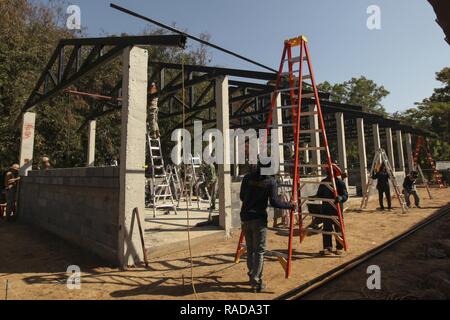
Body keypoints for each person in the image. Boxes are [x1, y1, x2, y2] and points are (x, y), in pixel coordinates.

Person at [239, 160, 295, 292]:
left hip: (245, 217)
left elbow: (242, 196)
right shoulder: (270, 182)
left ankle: (252, 276)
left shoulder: (247, 178)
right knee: (259, 251)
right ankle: (256, 282)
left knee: (251, 249)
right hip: (259, 219)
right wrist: (290, 205)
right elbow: (275, 202)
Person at [311, 164, 348, 256]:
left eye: (329, 171)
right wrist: (313, 197)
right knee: (327, 229)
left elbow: (345, 195)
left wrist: (340, 198)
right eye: (327, 171)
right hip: (326, 210)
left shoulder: (339, 183)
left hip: (336, 210)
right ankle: (328, 247)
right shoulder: (323, 182)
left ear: (334, 172)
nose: (327, 172)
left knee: (338, 229)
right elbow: (319, 194)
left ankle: (339, 247)